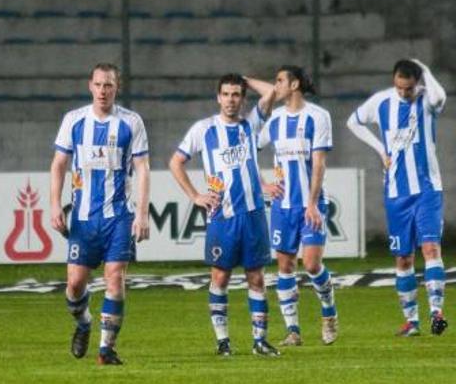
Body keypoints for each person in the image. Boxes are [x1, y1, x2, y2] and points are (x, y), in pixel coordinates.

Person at [169, 73, 278, 357]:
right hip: (222, 217)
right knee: (220, 278)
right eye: (226, 94)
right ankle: (223, 342)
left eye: (236, 94)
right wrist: (195, 196)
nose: (231, 100)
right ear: (218, 97)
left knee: (256, 278)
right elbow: (176, 162)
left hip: (253, 215)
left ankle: (260, 341)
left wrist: (245, 79)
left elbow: (273, 92)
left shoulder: (250, 125)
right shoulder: (203, 129)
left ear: (242, 98)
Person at [50, 63, 150, 365]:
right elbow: (58, 165)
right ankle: (83, 324)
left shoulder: (131, 122)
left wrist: (142, 213)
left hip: (118, 216)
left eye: (109, 85)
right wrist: (55, 204)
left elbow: (142, 168)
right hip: (83, 218)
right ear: (90, 86)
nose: (103, 91)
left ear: (116, 87)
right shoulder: (74, 121)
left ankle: (107, 349)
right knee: (75, 284)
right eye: (98, 85)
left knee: (115, 278)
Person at [347, 58, 448, 337]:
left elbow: (441, 96)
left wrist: (425, 69)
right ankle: (411, 321)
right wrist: (380, 149)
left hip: (427, 190)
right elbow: (353, 122)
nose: (403, 93)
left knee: (430, 249)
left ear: (418, 83)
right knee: (403, 259)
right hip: (396, 193)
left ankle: (436, 313)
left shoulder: (427, 101)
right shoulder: (381, 102)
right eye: (399, 87)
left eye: (409, 88)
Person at [257, 66, 338, 346]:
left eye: (279, 81)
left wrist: (313, 204)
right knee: (285, 265)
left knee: (312, 264)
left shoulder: (318, 116)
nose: (276, 85)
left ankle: (329, 314)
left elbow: (319, 163)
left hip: (310, 205)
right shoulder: (275, 119)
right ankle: (293, 331)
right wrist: (263, 185)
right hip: (282, 205)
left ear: (294, 84)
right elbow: (247, 149)